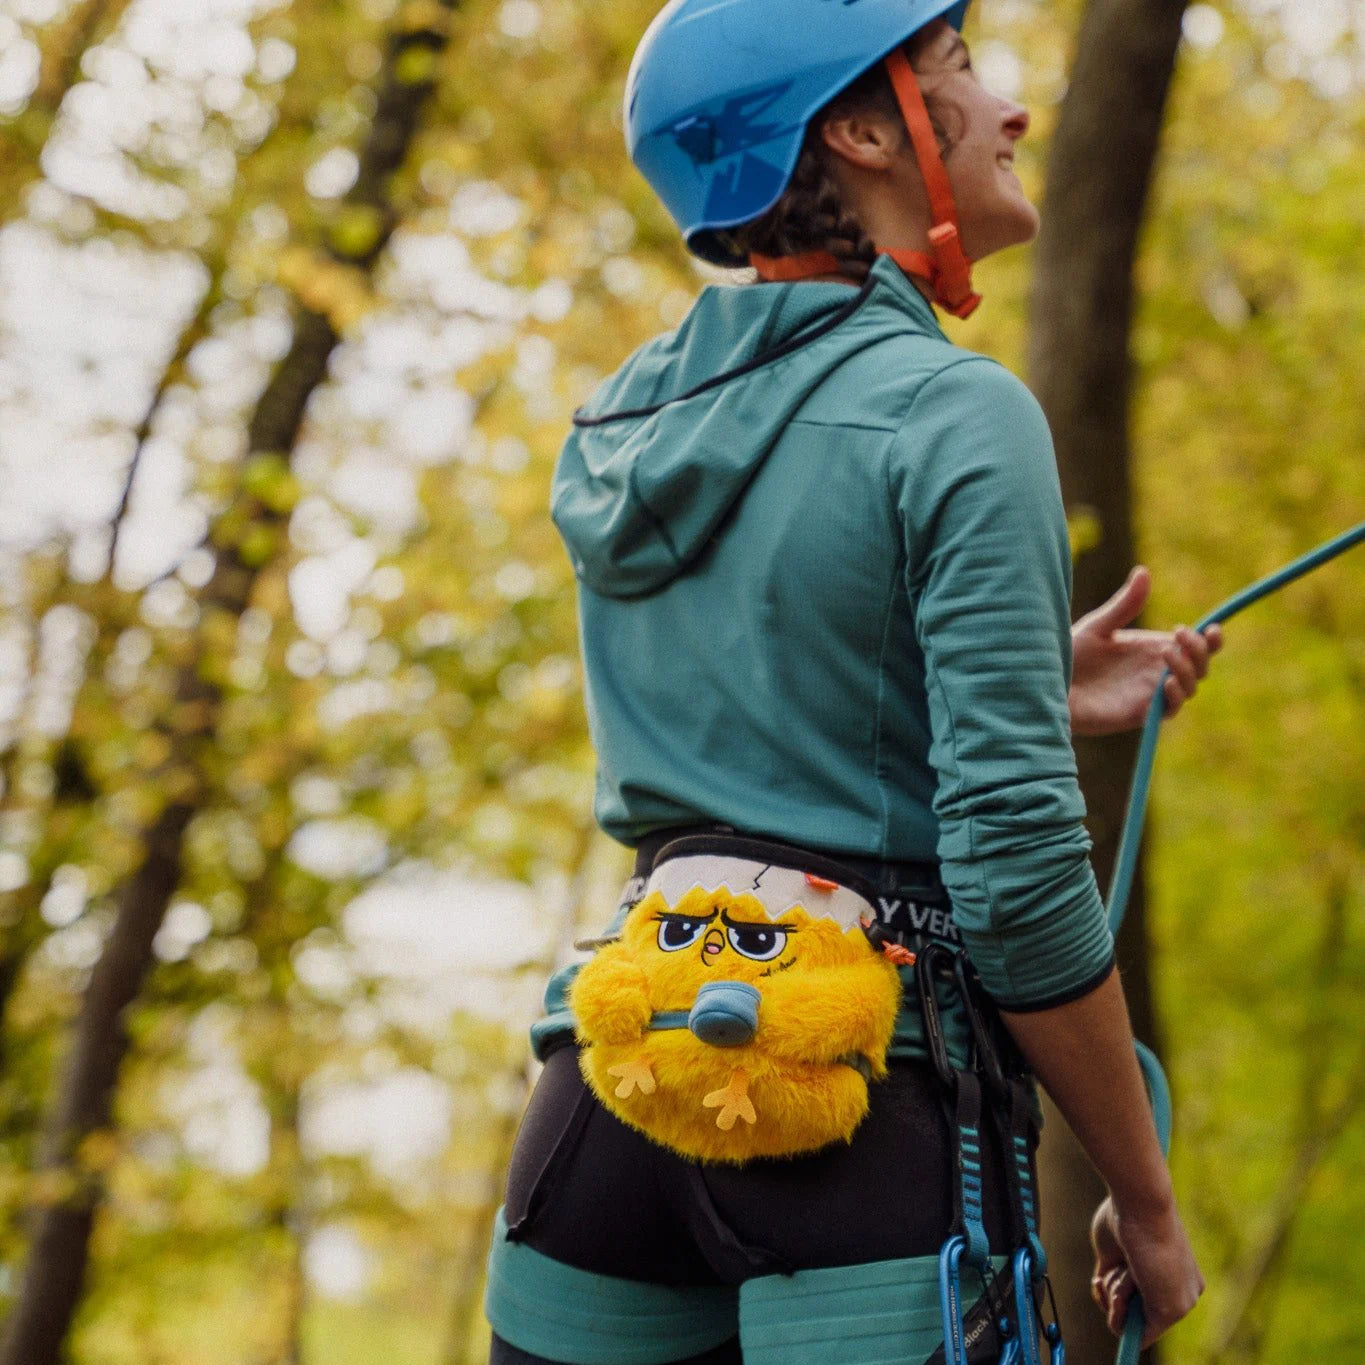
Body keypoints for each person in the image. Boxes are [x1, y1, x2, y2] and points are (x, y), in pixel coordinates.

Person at [485, 2, 1217, 1361]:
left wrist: (1027, 680)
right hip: (862, 1106)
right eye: (962, 72)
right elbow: (1015, 868)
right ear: (865, 133)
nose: (1012, 110)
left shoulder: (627, 422)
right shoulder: (952, 411)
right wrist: (1143, 1192)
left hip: (607, 1107)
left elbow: (769, 714)